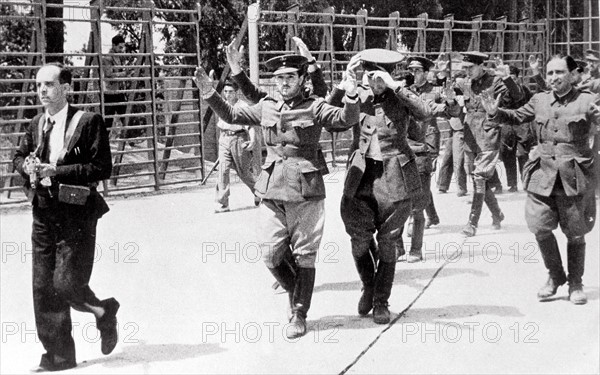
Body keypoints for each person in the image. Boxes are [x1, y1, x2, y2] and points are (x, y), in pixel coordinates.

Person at [194, 54, 360, 338]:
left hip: (306, 191)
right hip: (272, 187)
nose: (284, 83)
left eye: (290, 77)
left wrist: (352, 93)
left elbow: (344, 119)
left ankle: (299, 313)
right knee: (270, 253)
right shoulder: (267, 106)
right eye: (280, 78)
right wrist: (210, 93)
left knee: (305, 255)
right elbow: (233, 115)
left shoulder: (315, 106)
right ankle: (296, 291)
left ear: (302, 80)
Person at [13, 63, 118, 372]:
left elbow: (101, 168)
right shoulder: (35, 124)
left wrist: (55, 171)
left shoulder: (87, 122)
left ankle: (103, 312)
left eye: (49, 84)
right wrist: (28, 167)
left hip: (77, 215)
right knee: (43, 286)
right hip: (44, 212)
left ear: (67, 88)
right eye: (38, 86)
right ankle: (58, 357)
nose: (42, 91)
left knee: (66, 283)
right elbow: (18, 156)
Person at [481, 55, 599, 304]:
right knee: (539, 225)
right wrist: (496, 112)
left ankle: (575, 283)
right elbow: (516, 116)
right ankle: (556, 276)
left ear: (571, 74)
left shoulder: (587, 101)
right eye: (550, 73)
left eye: (559, 72)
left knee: (575, 232)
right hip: (542, 173)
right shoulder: (539, 100)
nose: (554, 78)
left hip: (573, 175)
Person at [329, 50, 431, 323]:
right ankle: (368, 286)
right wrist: (344, 85)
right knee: (359, 240)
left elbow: (426, 113)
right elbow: (329, 121)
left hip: (395, 177)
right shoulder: (357, 96)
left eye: (379, 77)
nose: (374, 82)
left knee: (388, 243)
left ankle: (381, 301)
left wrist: (396, 86)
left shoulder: (401, 96)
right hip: (361, 177)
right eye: (370, 76)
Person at [398, 56, 460, 262]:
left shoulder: (434, 91)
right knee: (410, 190)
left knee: (421, 185)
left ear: (425, 72)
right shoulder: (404, 90)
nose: (413, 74)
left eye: (417, 71)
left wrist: (450, 100)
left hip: (427, 141)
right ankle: (428, 216)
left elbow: (451, 111)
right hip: (405, 145)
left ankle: (417, 230)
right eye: (411, 70)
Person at [458, 52, 522, 237]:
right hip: (470, 137)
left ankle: (472, 223)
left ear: (481, 66)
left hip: (489, 135)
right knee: (477, 178)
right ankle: (497, 214)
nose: (467, 71)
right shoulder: (467, 83)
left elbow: (517, 96)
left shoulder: (495, 82)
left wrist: (507, 77)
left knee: (479, 177)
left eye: (470, 68)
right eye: (465, 68)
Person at [214, 80, 260, 212]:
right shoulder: (223, 104)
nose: (227, 94)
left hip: (238, 138)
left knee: (244, 172)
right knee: (223, 170)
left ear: (237, 92)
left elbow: (250, 125)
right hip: (224, 138)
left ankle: (259, 192)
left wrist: (252, 140)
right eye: (226, 91)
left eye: (230, 92)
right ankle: (223, 203)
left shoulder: (242, 106)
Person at [102, 34, 129, 131]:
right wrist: (123, 74)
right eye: (120, 47)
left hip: (119, 91)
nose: (121, 49)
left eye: (122, 47)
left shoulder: (120, 57)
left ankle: (130, 139)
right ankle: (103, 143)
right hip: (110, 92)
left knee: (125, 116)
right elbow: (108, 74)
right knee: (108, 121)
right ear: (113, 45)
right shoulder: (107, 58)